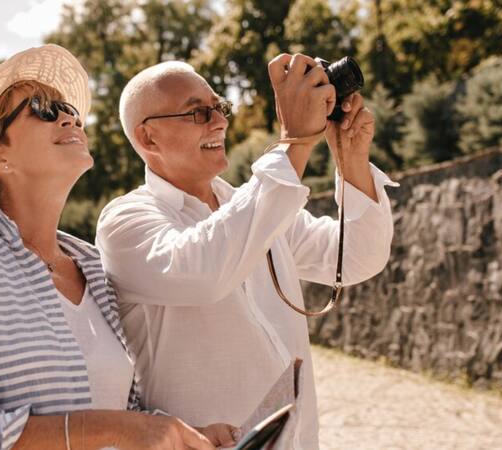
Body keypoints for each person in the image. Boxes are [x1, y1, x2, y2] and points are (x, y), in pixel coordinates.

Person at [0, 44, 235, 450]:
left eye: (67, 108)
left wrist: (183, 435)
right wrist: (117, 428)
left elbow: (119, 410)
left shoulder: (92, 268)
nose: (69, 117)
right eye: (41, 108)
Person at [95, 54, 399, 449]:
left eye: (219, 107)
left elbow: (356, 256)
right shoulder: (124, 221)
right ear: (148, 138)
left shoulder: (252, 204)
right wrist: (293, 142)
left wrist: (351, 160)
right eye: (198, 113)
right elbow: (205, 273)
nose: (219, 122)